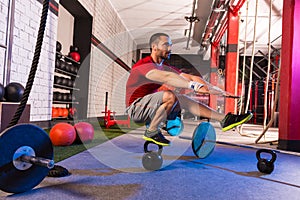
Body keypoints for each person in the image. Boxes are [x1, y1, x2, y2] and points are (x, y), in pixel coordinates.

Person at [125, 33, 252, 146]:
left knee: (182, 99)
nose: (169, 48)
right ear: (154, 47)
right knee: (170, 96)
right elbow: (167, 77)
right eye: (165, 45)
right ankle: (152, 131)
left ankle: (224, 119)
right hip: (136, 108)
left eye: (170, 45)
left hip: (150, 107)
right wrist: (193, 86)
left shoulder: (164, 66)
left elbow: (191, 77)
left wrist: (216, 90)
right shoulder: (144, 65)